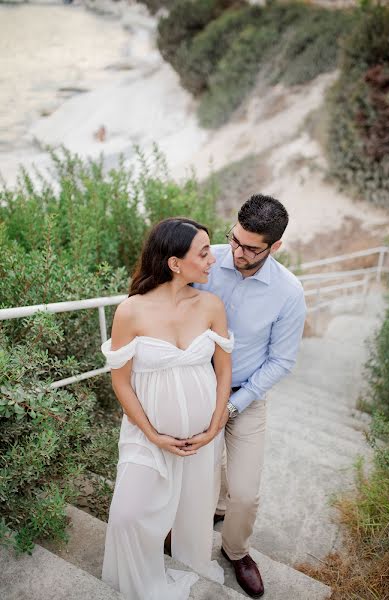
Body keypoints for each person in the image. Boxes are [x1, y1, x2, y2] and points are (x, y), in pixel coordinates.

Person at [100, 217, 233, 600]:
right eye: (204, 252)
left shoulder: (211, 305)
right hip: (148, 435)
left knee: (195, 514)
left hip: (203, 435)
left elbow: (224, 372)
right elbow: (121, 382)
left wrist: (214, 424)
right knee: (127, 515)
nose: (212, 260)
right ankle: (142, 585)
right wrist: (153, 434)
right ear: (175, 263)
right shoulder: (131, 311)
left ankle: (191, 564)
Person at [194, 194, 307, 599]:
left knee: (245, 492)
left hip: (246, 396)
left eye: (251, 248)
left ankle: (236, 550)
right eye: (235, 240)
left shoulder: (289, 293)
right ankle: (186, 526)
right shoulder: (206, 262)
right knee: (194, 477)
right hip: (196, 388)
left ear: (275, 246)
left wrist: (232, 406)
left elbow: (281, 361)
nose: (236, 253)